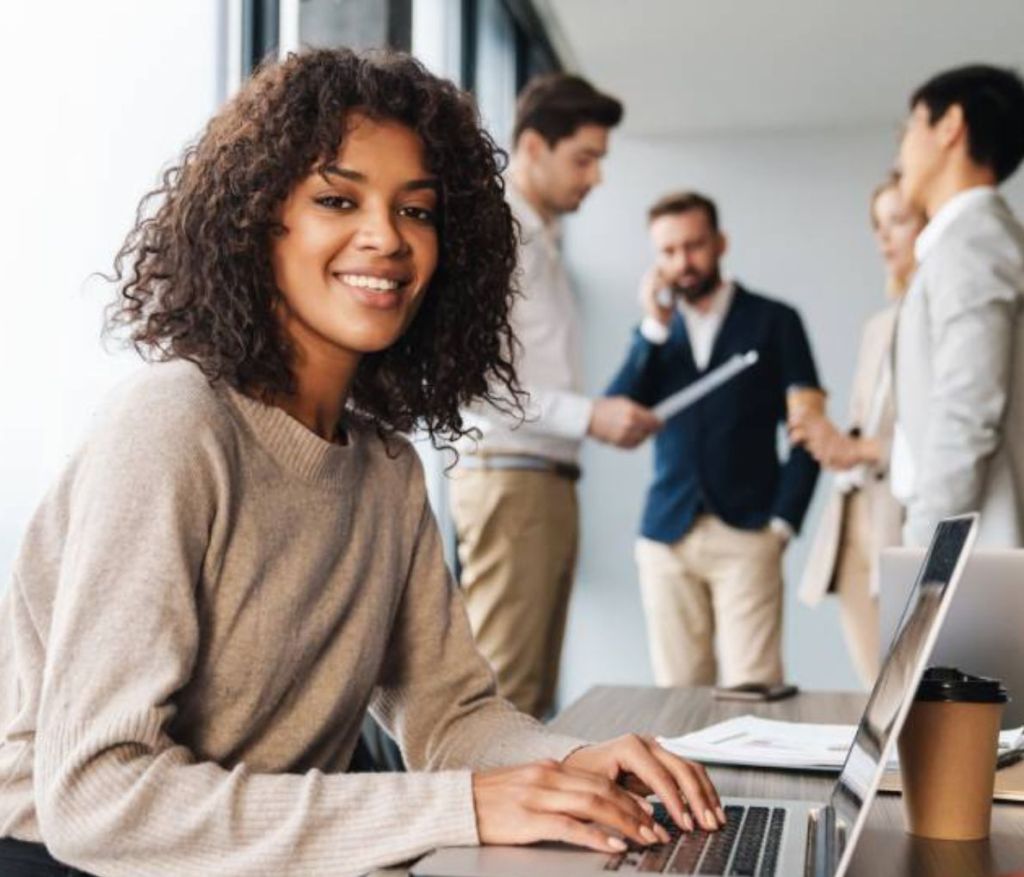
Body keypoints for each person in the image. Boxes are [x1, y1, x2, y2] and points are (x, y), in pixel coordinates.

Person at [0, 49, 725, 877]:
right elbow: (97, 799)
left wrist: (571, 766)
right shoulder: (171, 424)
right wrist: (464, 805)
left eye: (416, 211)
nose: (386, 237)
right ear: (256, 218)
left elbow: (451, 714)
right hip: (66, 859)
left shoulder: (385, 467)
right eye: (337, 199)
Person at [450, 74, 659, 719]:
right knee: (504, 696)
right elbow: (474, 384)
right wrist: (588, 415)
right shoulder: (502, 236)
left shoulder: (541, 239)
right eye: (585, 158)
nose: (596, 177)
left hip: (541, 479)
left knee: (530, 696)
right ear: (534, 147)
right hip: (514, 478)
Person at [606, 191, 821, 688]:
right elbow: (615, 414)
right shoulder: (656, 335)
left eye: (695, 245)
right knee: (678, 696)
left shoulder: (775, 320)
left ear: (720, 243)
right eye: (668, 251)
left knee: (754, 689)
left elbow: (809, 427)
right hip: (666, 534)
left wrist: (784, 522)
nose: (683, 262)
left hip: (748, 531)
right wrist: (653, 330)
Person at [794, 175, 925, 687]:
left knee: (917, 690)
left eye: (898, 220)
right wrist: (828, 439)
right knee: (877, 691)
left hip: (906, 518)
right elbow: (864, 424)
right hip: (851, 522)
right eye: (878, 225)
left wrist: (860, 447)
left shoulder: (950, 320)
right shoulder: (879, 325)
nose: (884, 238)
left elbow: (949, 437)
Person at [891, 64, 1024, 548]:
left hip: (974, 547)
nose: (901, 151)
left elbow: (968, 408)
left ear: (950, 127)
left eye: (908, 129)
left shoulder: (974, 244)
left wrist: (926, 546)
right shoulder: (977, 241)